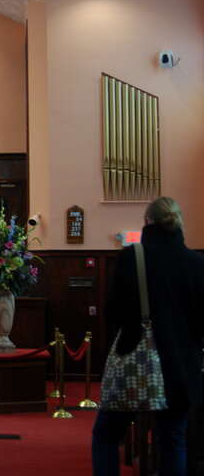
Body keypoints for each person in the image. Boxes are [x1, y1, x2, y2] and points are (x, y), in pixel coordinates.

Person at [92, 196, 204, 475]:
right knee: (173, 439)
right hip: (181, 366)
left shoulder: (132, 257)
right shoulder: (197, 262)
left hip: (136, 359)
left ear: (147, 222)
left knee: (106, 434)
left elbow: (113, 311)